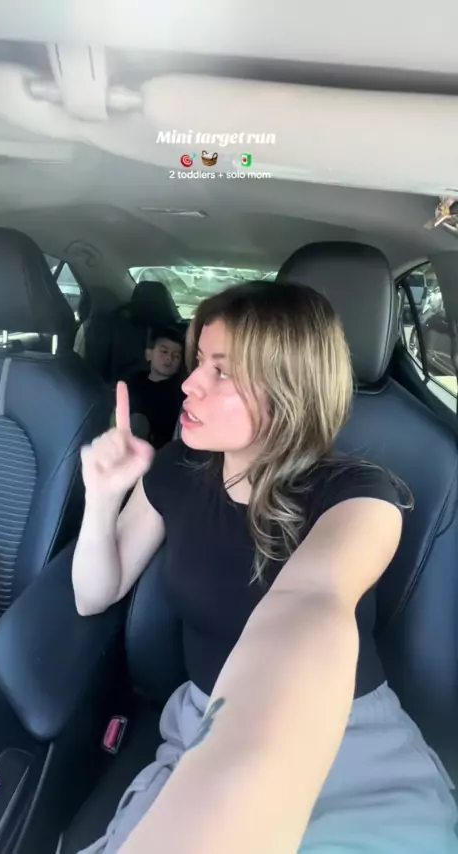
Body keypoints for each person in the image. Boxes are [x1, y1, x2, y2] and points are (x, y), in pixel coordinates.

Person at [72, 281, 458, 854]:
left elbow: (310, 600)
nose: (190, 383)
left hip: (350, 738)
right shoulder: (177, 469)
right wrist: (102, 498)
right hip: (205, 722)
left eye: (221, 371)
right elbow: (93, 595)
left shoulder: (360, 495)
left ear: (288, 389)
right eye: (198, 361)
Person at [124, 327, 184, 448]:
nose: (169, 358)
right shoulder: (134, 380)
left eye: (176, 356)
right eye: (164, 351)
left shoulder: (179, 392)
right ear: (149, 354)